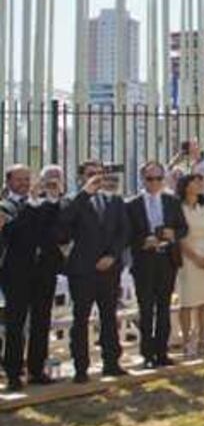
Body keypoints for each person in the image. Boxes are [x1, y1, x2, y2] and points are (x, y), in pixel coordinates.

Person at [61, 161, 131, 383]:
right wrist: (85, 193)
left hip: (109, 269)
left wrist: (112, 256)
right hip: (83, 270)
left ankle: (112, 363)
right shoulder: (72, 200)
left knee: (109, 316)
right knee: (81, 318)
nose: (97, 178)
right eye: (92, 174)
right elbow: (64, 224)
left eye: (100, 174)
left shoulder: (114, 200)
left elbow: (124, 232)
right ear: (81, 177)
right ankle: (81, 367)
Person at [0, 165, 65, 390]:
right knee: (16, 325)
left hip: (42, 271)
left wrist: (54, 199)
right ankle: (13, 373)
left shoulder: (37, 203)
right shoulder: (6, 205)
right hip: (16, 274)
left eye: (27, 179)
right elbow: (13, 230)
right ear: (9, 182)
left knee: (41, 321)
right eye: (19, 180)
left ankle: (37, 370)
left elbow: (53, 226)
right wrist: (33, 204)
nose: (25, 183)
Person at [125, 161, 189, 368]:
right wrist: (142, 242)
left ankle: (162, 351)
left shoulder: (172, 201)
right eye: (150, 179)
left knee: (164, 307)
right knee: (146, 309)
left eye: (159, 179)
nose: (154, 183)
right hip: (144, 261)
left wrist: (173, 234)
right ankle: (147, 354)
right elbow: (125, 235)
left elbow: (183, 228)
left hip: (166, 260)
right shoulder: (132, 204)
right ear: (142, 179)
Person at [175, 172, 204, 357]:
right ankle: (187, 341)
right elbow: (180, 237)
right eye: (195, 181)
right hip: (188, 258)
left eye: (201, 181)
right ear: (186, 185)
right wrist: (195, 257)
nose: (199, 184)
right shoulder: (178, 207)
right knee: (187, 301)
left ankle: (203, 339)